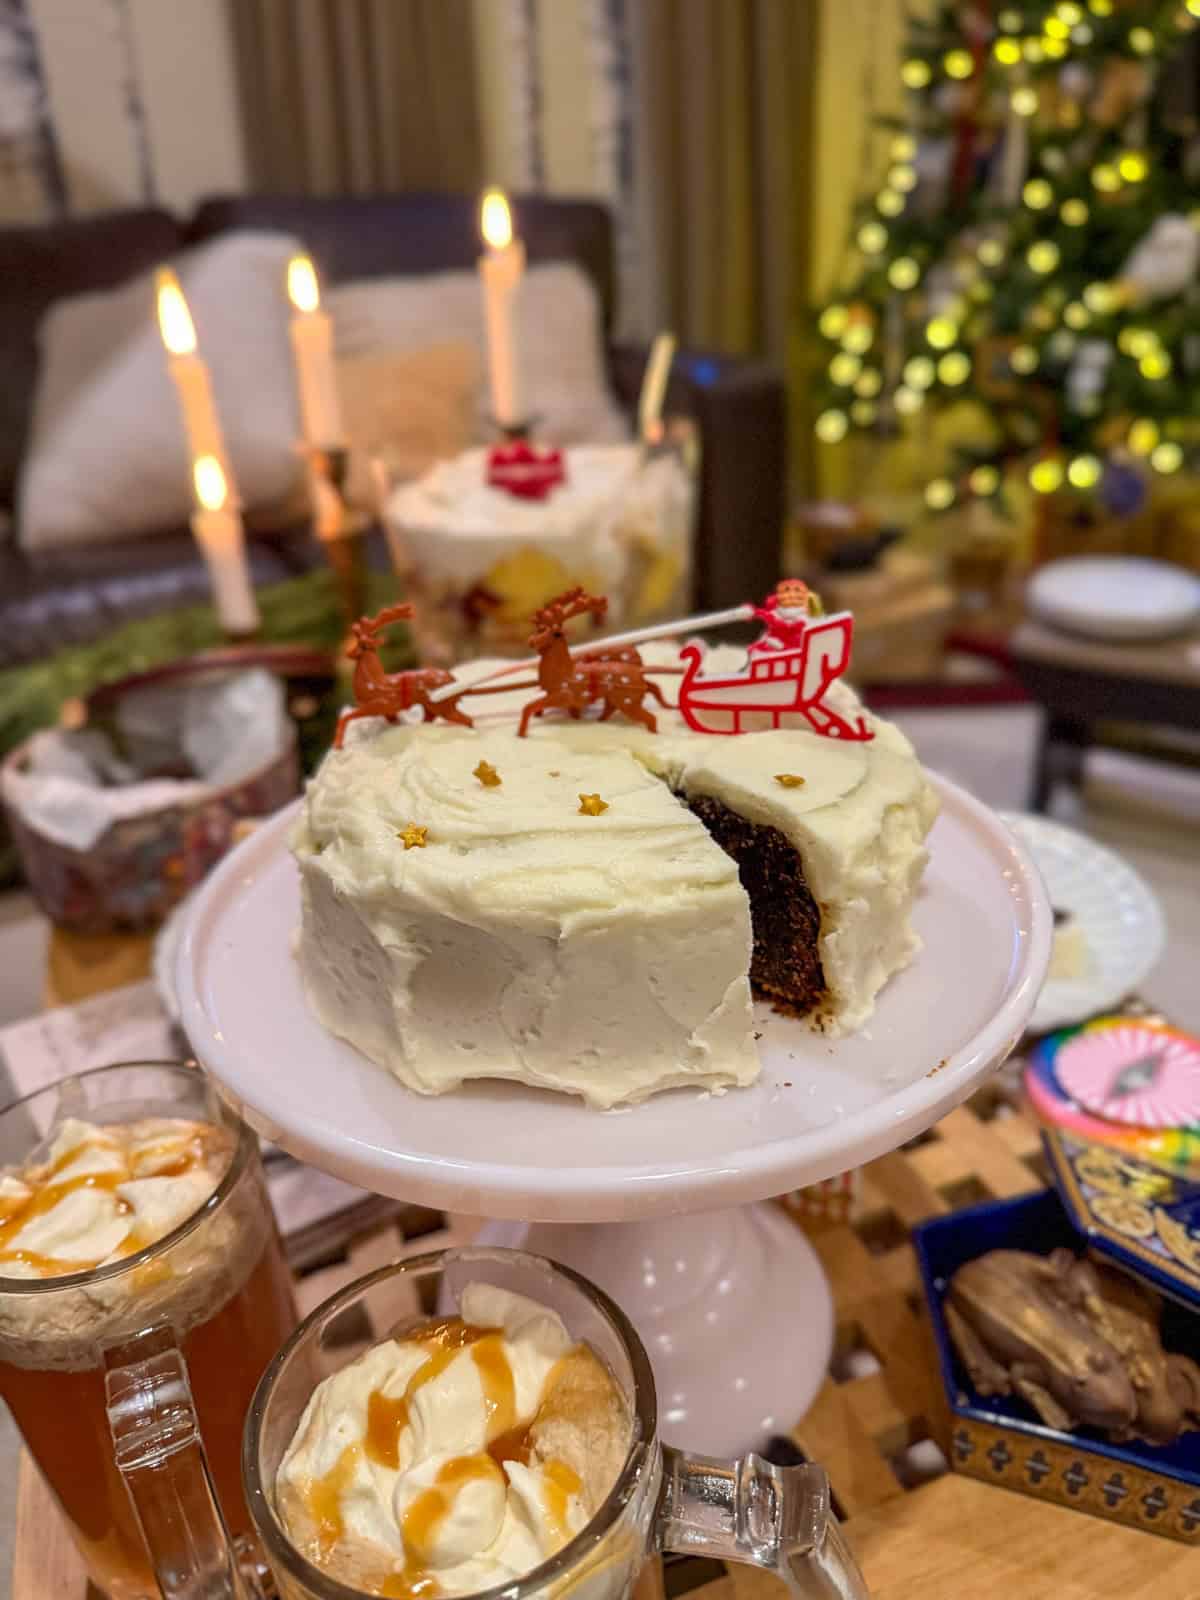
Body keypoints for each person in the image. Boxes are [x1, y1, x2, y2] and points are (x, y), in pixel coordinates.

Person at [750, 579, 822, 652]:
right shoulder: (774, 614)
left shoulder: (807, 620)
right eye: (786, 590)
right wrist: (752, 612)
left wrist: (783, 647)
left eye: (797, 590)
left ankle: (784, 648)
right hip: (772, 647)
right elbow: (764, 615)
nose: (791, 594)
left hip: (794, 649)